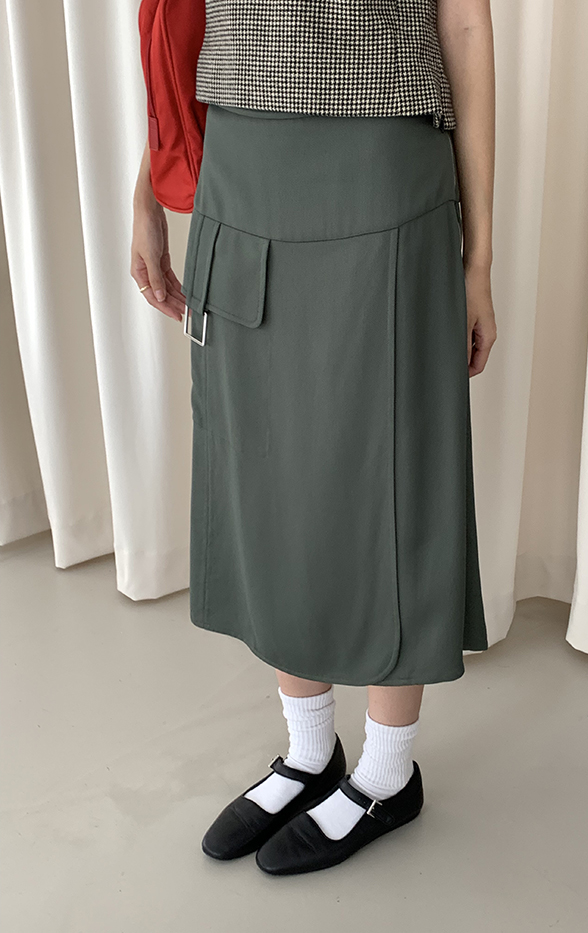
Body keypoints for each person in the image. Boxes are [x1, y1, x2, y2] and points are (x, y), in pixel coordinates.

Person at [131, 0, 497, 875]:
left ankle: (388, 771)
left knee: (391, 467)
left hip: (380, 157)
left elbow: (465, 25)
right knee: (264, 466)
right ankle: (308, 752)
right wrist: (147, 190)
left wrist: (479, 259)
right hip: (238, 161)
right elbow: (179, 22)